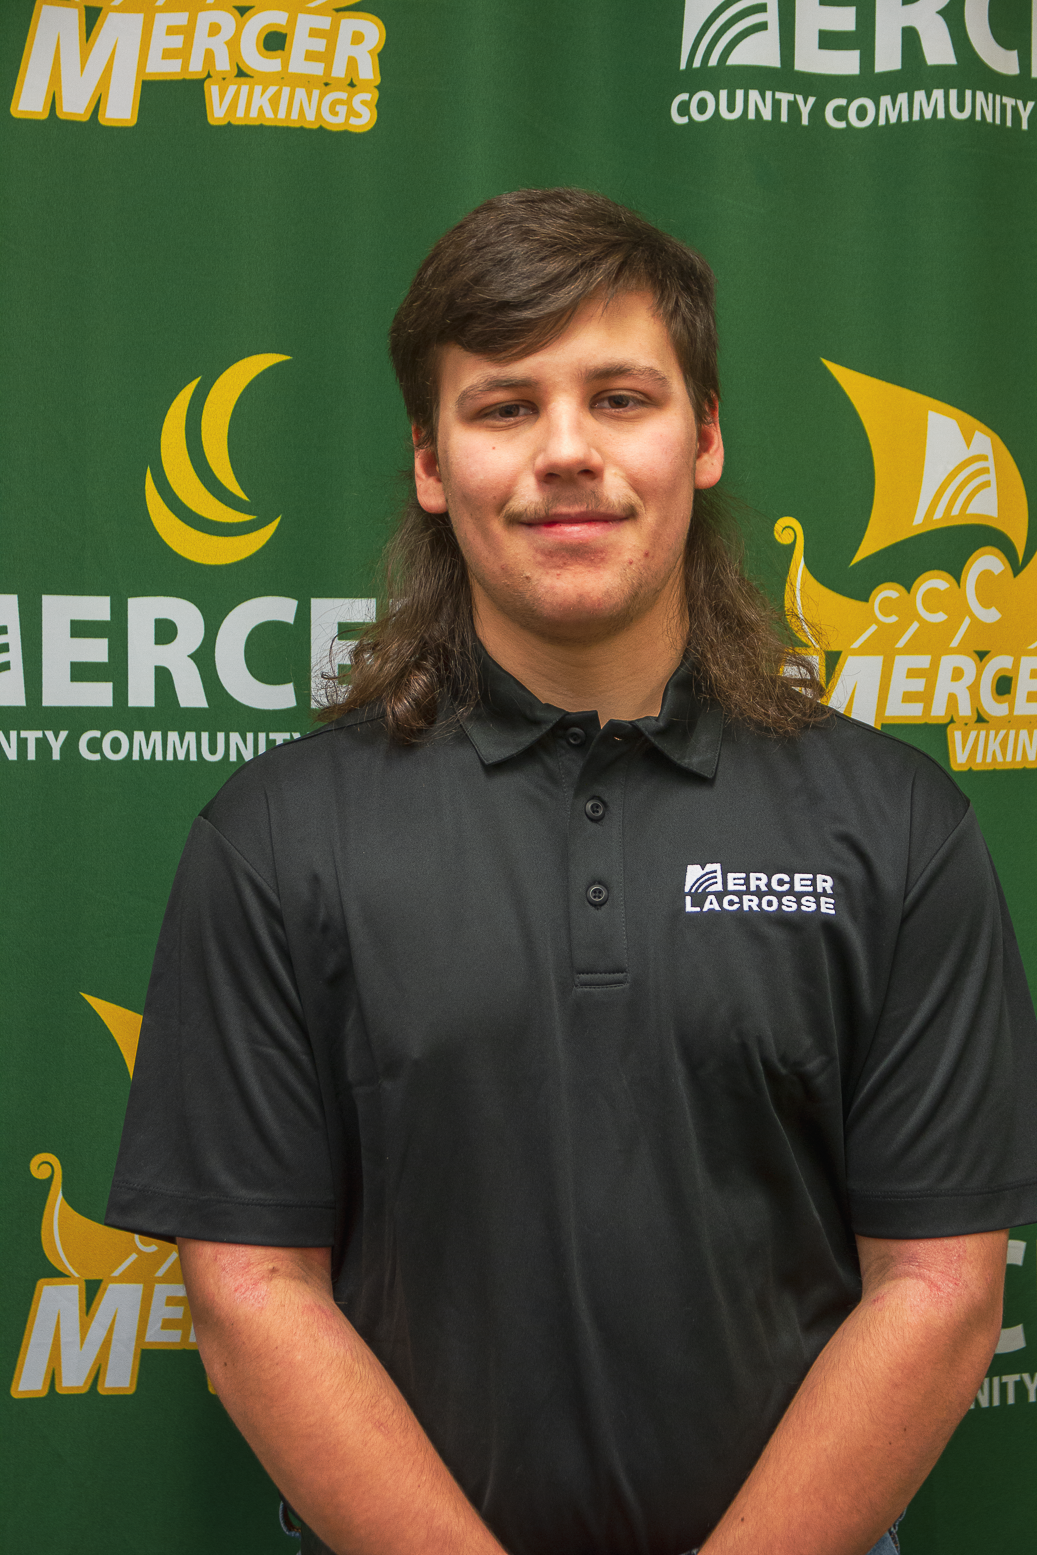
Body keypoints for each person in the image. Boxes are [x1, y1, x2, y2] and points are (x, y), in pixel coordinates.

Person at [106, 188, 1037, 1555]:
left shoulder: (896, 827)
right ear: (431, 463)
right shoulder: (277, 839)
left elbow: (941, 1291)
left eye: (619, 398)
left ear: (702, 436)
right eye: (504, 407)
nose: (565, 452)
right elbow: (251, 1296)